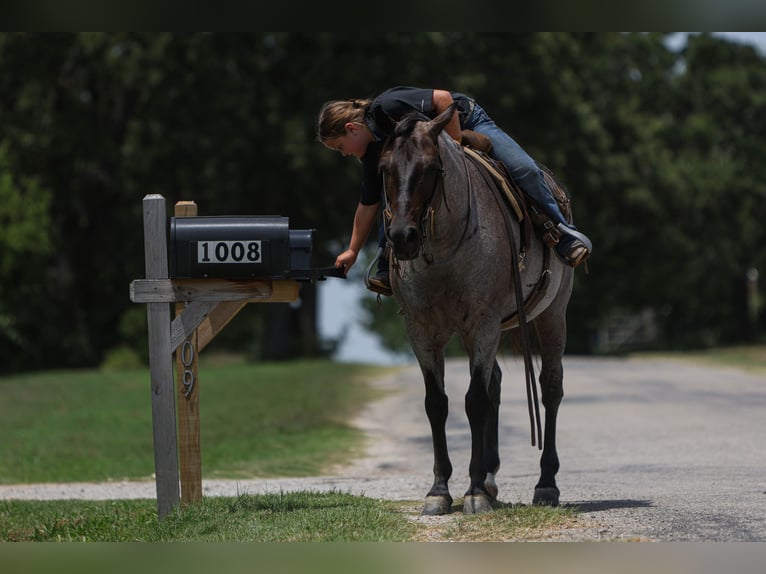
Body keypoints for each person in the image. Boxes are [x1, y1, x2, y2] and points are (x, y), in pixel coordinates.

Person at [317, 86, 592, 296]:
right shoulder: (372, 155)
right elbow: (367, 205)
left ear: (352, 128)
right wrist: (352, 250)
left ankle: (563, 233)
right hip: (438, 145)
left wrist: (456, 147)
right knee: (395, 195)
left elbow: (444, 99)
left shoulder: (386, 104)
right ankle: (387, 264)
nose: (344, 154)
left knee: (524, 169)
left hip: (468, 121)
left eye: (340, 147)